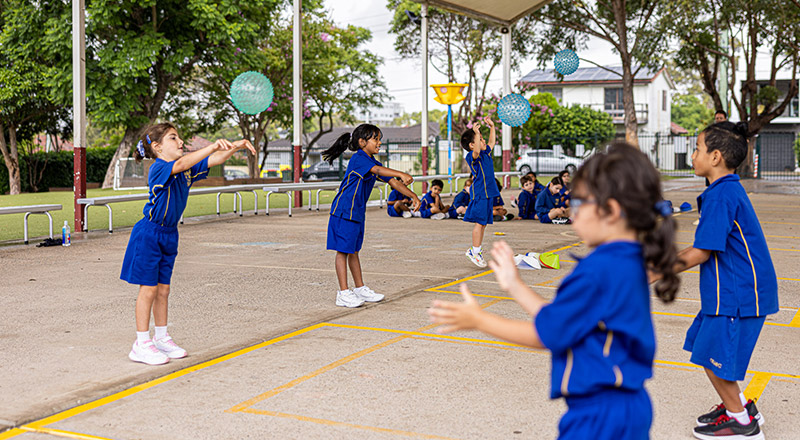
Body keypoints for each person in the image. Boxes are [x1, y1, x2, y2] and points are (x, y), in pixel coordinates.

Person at [428, 142, 681, 439]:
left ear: (610, 211)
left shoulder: (599, 270)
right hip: (628, 407)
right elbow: (562, 319)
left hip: (598, 417)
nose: (573, 213)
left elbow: (546, 334)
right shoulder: (628, 259)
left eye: (578, 203)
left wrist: (479, 320)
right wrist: (515, 285)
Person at [653, 121, 775, 440]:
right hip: (729, 293)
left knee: (713, 356)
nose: (693, 155)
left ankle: (742, 424)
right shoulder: (724, 190)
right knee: (704, 346)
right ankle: (741, 406)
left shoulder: (722, 195)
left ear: (716, 157)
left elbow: (701, 252)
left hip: (737, 295)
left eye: (697, 149)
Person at [121, 122, 256, 366]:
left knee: (163, 289)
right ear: (157, 147)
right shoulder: (159, 168)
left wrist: (236, 146)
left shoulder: (185, 170)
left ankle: (161, 337)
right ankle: (141, 343)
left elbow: (214, 160)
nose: (180, 141)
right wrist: (212, 145)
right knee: (149, 289)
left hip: (169, 234)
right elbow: (184, 162)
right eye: (173, 138)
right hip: (149, 234)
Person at [323, 123, 420, 308]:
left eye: (379, 138)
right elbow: (379, 172)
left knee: (354, 250)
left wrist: (412, 195)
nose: (379, 142)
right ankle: (343, 293)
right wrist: (401, 172)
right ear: (362, 142)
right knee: (343, 251)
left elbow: (392, 182)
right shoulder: (359, 159)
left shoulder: (372, 162)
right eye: (375, 139)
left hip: (356, 211)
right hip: (344, 210)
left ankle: (359, 288)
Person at [460, 116, 499, 268]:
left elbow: (492, 142)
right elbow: (477, 150)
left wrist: (492, 127)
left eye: (482, 139)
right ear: (471, 145)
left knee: (483, 224)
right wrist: (476, 133)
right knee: (479, 223)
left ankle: (476, 250)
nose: (483, 142)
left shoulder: (486, 153)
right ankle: (474, 251)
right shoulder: (472, 156)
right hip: (480, 193)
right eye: (479, 139)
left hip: (488, 193)